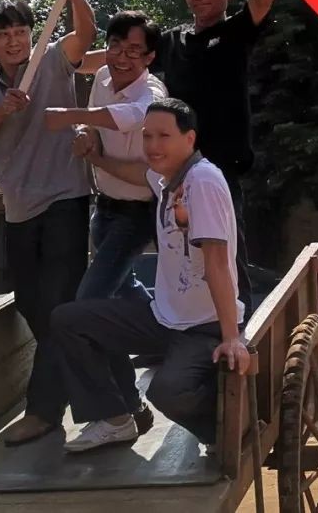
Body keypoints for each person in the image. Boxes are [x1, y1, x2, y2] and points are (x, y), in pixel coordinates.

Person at [79, 0, 287, 313]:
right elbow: (121, 54)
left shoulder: (236, 31)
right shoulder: (173, 41)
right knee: (181, 265)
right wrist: (63, 62)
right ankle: (180, 329)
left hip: (220, 170)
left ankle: (239, 334)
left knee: (225, 259)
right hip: (174, 176)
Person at [52, 98, 249, 453]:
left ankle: (226, 432)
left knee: (167, 392)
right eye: (147, 136)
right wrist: (96, 158)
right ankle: (114, 418)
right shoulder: (166, 179)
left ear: (189, 139)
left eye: (163, 136)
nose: (153, 145)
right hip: (163, 318)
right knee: (69, 320)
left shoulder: (202, 181)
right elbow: (138, 174)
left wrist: (232, 337)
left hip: (203, 325)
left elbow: (218, 263)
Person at [0, 0, 96, 447]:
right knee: (30, 304)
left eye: (21, 31)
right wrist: (3, 110)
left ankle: (42, 411)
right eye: (3, 33)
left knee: (58, 305)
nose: (14, 41)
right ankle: (103, 376)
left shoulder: (54, 58)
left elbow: (86, 36)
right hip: (19, 205)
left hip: (65, 196)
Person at [45, 11, 167, 302]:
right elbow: (94, 124)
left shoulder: (153, 92)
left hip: (138, 214)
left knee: (90, 299)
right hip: (104, 207)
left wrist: (71, 116)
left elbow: (136, 116)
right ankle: (155, 323)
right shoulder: (102, 77)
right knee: (125, 287)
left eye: (133, 51)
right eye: (115, 47)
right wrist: (85, 134)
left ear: (149, 57)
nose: (122, 58)